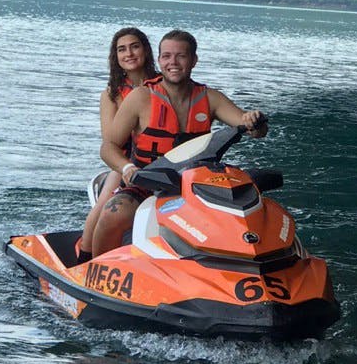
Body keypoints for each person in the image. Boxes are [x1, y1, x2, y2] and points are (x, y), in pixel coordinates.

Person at [91, 29, 267, 257]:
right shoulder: (141, 97)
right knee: (112, 215)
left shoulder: (211, 98)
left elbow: (253, 129)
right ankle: (94, 268)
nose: (172, 62)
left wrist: (255, 122)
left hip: (194, 187)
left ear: (194, 60)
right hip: (145, 181)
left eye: (181, 56)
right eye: (166, 56)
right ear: (159, 60)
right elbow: (108, 147)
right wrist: (127, 168)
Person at [78, 26, 157, 261]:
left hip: (160, 159)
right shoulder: (112, 93)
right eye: (122, 50)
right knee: (104, 205)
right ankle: (84, 258)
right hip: (125, 161)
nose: (129, 53)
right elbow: (109, 139)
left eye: (134, 46)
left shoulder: (163, 85)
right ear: (116, 57)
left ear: (145, 50)